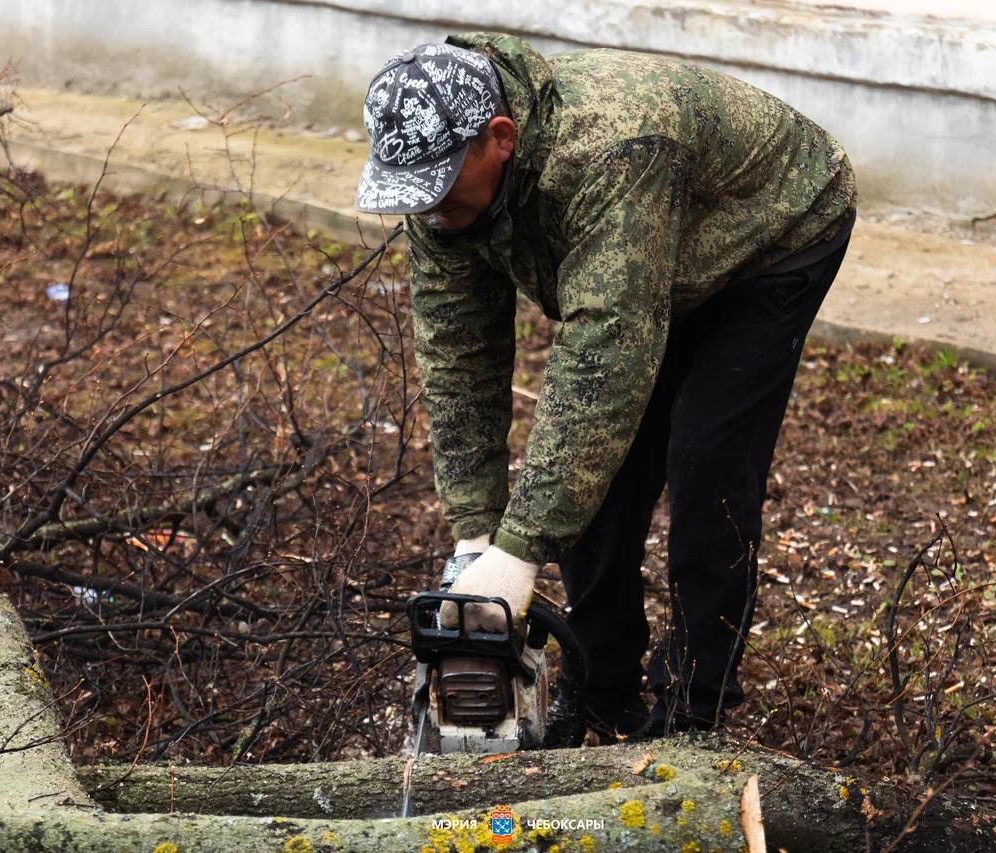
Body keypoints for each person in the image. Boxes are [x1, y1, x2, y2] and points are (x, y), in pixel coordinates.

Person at [355, 33, 856, 739]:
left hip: (775, 230)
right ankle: (602, 686)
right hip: (656, 249)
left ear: (500, 138)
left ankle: (693, 706)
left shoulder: (609, 150)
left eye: (439, 186)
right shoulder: (437, 197)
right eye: (414, 192)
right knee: (597, 473)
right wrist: (477, 536)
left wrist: (521, 547)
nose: (429, 209)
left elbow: (604, 351)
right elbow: (459, 358)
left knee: (707, 460)